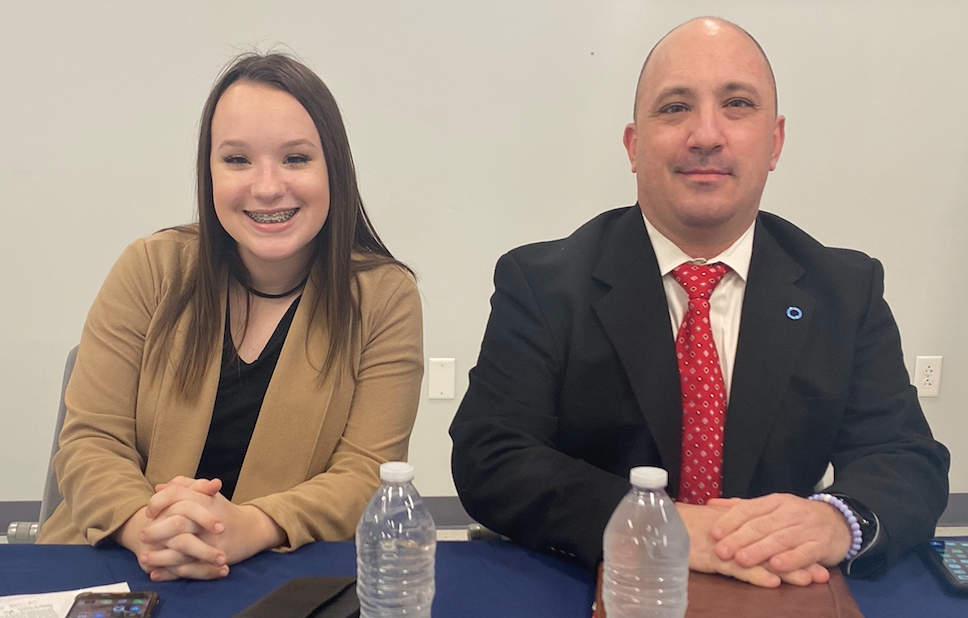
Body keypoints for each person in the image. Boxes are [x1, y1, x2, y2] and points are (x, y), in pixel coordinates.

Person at [449, 17, 949, 588]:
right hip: (595, 582)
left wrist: (837, 521)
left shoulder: (845, 289)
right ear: (634, 146)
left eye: (737, 104)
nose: (706, 134)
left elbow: (907, 457)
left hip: (780, 586)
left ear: (775, 142)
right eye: (675, 108)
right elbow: (492, 455)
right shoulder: (542, 283)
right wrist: (657, 525)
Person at [38, 53, 424, 582]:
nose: (266, 187)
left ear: (335, 168)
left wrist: (251, 526)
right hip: (115, 561)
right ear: (209, 172)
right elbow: (90, 442)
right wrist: (148, 530)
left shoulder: (383, 296)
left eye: (296, 158)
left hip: (278, 574)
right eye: (237, 159)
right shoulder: (150, 267)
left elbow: (365, 475)